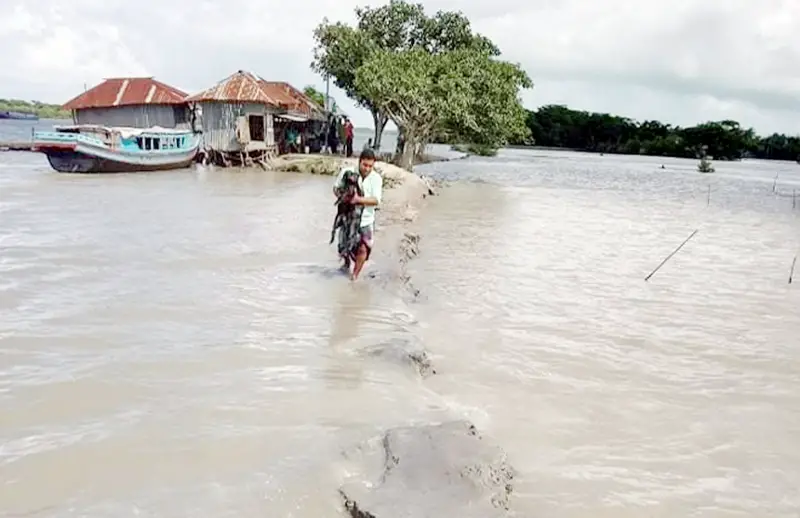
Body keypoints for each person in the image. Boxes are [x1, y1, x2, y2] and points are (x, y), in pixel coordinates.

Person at [332, 148, 382, 281]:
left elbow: (376, 200)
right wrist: (344, 197)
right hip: (348, 218)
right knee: (345, 247)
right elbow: (336, 188)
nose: (367, 168)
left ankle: (354, 277)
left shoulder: (376, 179)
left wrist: (358, 200)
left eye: (370, 166)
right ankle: (346, 264)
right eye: (364, 165)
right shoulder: (347, 173)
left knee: (364, 249)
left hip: (366, 220)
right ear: (359, 162)